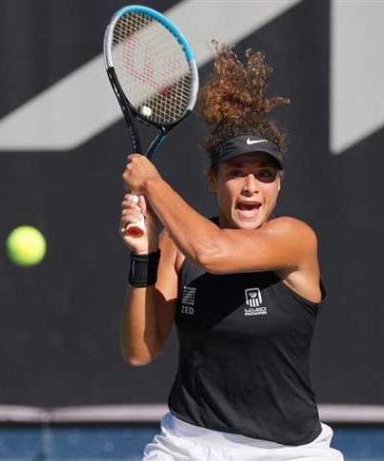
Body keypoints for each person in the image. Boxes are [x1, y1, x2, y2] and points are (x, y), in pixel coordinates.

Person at [119, 44, 343, 461]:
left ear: (279, 185)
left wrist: (151, 183)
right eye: (236, 173)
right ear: (213, 180)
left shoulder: (295, 238)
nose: (251, 187)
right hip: (187, 445)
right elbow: (141, 350)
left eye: (265, 174)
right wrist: (145, 256)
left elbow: (212, 252)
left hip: (289, 454)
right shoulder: (178, 245)